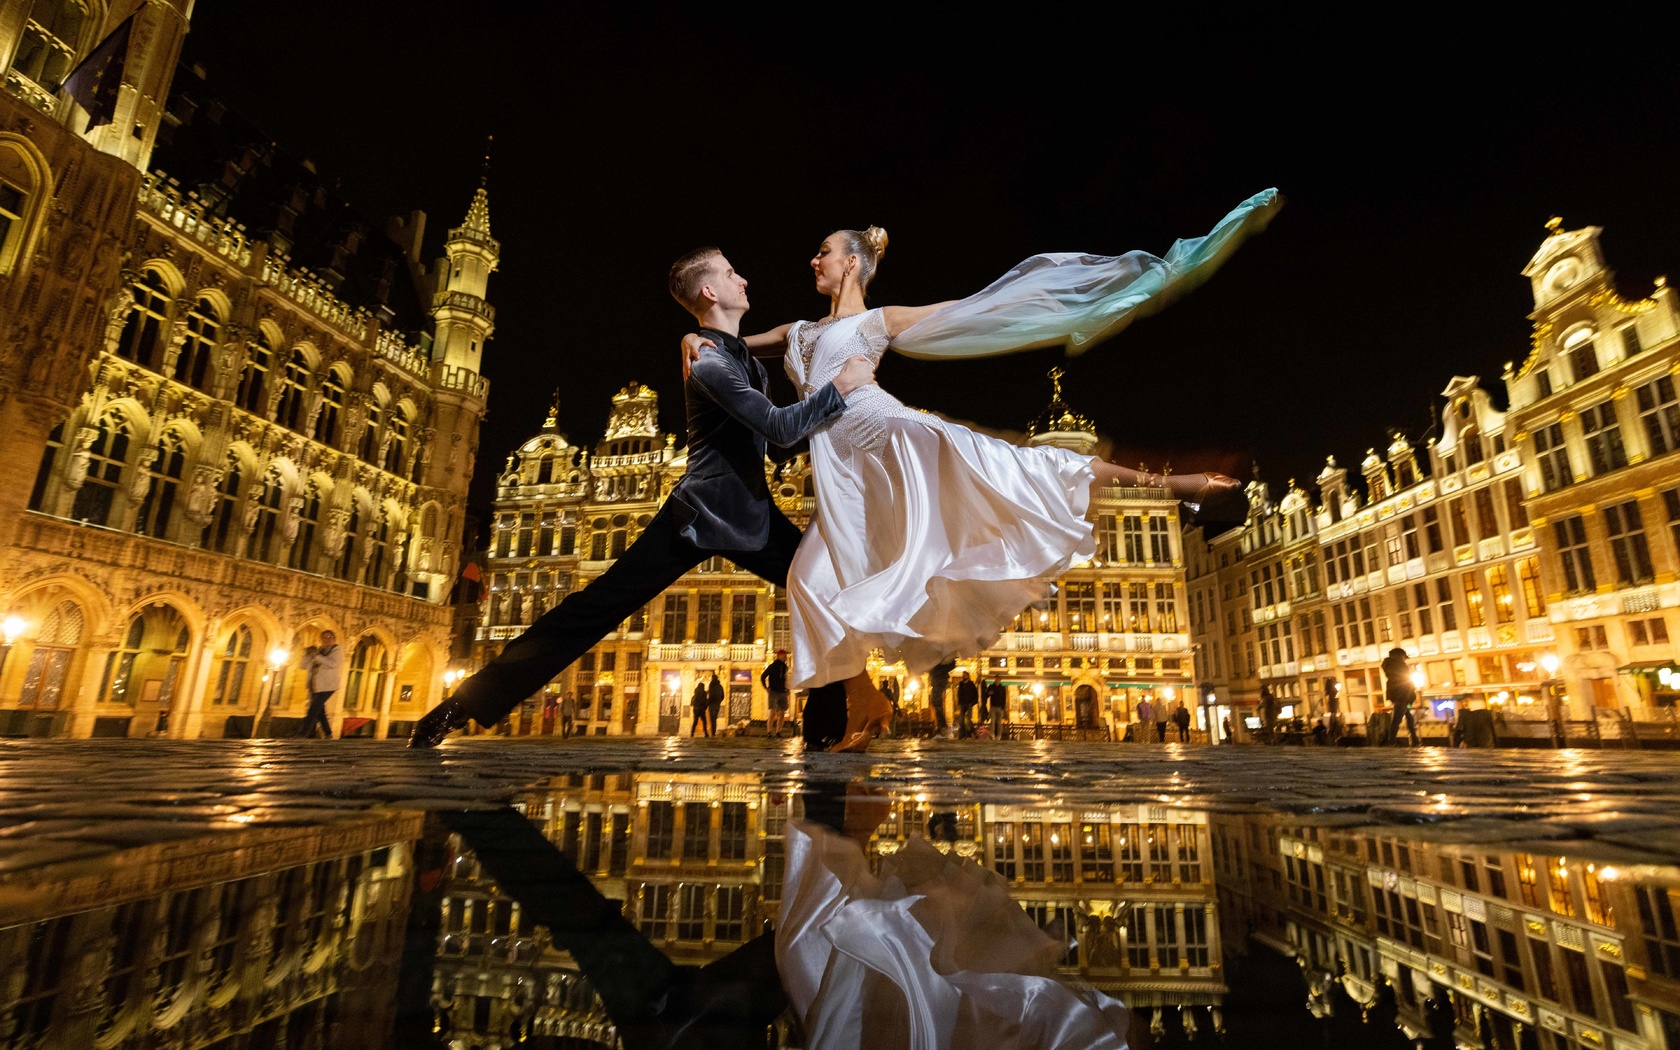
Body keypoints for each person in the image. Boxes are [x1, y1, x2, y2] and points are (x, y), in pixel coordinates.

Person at [681, 193, 1277, 751]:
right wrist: (692, 336)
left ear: (854, 264)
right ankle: (867, 700)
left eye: (825, 252)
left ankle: (1177, 484)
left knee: (1026, 469)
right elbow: (727, 344)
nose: (814, 259)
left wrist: (1079, 299)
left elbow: (981, 310)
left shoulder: (880, 320)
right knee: (806, 582)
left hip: (893, 441)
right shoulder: (799, 332)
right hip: (842, 472)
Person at [409, 247, 885, 749]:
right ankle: (460, 706)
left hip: (749, 513)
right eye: (730, 273)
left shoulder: (725, 349)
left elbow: (787, 336)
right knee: (594, 609)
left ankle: (825, 733)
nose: (743, 278)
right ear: (709, 291)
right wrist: (842, 385)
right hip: (699, 514)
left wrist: (693, 332)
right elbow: (781, 428)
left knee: (825, 590)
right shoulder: (710, 364)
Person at [297, 631, 343, 739]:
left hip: (328, 685)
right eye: (324, 637)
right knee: (320, 711)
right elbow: (302, 666)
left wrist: (316, 656)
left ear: (334, 639)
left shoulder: (337, 650)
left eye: (329, 637)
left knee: (313, 709)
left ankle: (303, 734)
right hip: (315, 685)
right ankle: (328, 734)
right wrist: (307, 655)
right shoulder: (319, 650)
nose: (326, 639)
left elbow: (333, 664)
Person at [1381, 647, 1420, 747]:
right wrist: (1411, 692)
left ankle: (1415, 739)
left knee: (1409, 718)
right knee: (1397, 719)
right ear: (1400, 656)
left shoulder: (1390, 666)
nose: (1405, 659)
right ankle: (1391, 741)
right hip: (1402, 695)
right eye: (1404, 657)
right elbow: (1405, 682)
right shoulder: (1400, 667)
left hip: (1398, 695)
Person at [761, 649, 791, 737]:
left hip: (783, 691)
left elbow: (786, 679)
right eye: (784, 655)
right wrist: (766, 687)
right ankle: (769, 732)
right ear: (778, 656)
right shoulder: (772, 666)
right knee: (772, 712)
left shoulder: (785, 667)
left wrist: (787, 689)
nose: (786, 657)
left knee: (782, 713)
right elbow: (763, 676)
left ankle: (778, 731)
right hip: (773, 691)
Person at [956, 671, 979, 738]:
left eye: (965, 675)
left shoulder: (971, 684)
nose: (963, 676)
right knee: (961, 719)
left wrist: (973, 702)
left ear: (968, 676)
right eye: (963, 675)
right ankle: (962, 735)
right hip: (962, 704)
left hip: (969, 704)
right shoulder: (961, 684)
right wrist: (959, 702)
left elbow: (976, 694)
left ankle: (968, 734)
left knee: (968, 719)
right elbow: (959, 694)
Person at [706, 672, 725, 736]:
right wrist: (719, 701)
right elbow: (723, 696)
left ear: (712, 678)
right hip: (717, 705)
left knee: (712, 718)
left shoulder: (711, 685)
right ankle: (714, 731)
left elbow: (711, 695)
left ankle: (713, 732)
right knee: (715, 718)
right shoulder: (720, 686)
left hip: (712, 704)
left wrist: (708, 703)